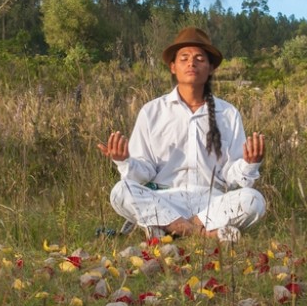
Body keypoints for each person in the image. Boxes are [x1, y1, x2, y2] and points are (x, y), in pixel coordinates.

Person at [98, 27, 266, 242]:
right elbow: (144, 173)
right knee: (121, 191)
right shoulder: (152, 111)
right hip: (165, 198)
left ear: (211, 68)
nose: (191, 63)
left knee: (254, 200)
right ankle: (203, 234)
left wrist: (250, 164)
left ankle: (169, 229)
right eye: (184, 58)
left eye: (199, 58)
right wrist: (124, 161)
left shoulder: (228, 113)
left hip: (211, 202)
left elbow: (232, 179)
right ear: (173, 67)